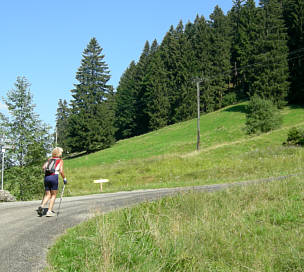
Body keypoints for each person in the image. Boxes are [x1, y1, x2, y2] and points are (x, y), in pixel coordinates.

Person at [37, 147, 67, 217]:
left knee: (47, 194)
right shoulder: (60, 160)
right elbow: (61, 171)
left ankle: (42, 206)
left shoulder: (49, 159)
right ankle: (49, 211)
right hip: (54, 177)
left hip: (47, 177)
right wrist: (64, 178)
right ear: (59, 153)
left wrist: (46, 173)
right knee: (53, 195)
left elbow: (43, 167)